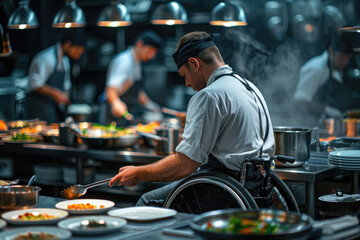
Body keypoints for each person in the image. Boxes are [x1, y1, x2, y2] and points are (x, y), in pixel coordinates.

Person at [109, 31, 275, 206]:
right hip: (258, 185)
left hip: (224, 189)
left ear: (194, 64)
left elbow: (185, 165)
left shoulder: (209, 96)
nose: (187, 83)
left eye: (184, 76)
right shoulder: (247, 86)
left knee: (146, 200)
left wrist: (138, 174)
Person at [99, 30, 163, 125]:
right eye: (149, 51)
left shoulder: (137, 62)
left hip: (125, 113)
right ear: (139, 44)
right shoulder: (124, 61)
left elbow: (137, 91)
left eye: (153, 53)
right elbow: (110, 89)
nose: (151, 56)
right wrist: (115, 103)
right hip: (113, 114)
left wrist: (151, 106)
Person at [293, 34, 354, 126]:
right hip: (309, 126)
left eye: (347, 58)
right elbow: (300, 101)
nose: (344, 62)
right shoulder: (317, 69)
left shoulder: (337, 69)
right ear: (330, 51)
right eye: (341, 57)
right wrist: (326, 109)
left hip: (327, 127)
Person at [26, 37, 85, 123]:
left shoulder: (65, 61)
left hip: (52, 109)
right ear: (68, 45)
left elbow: (66, 85)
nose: (77, 56)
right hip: (38, 108)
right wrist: (57, 94)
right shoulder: (46, 58)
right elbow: (34, 84)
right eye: (77, 51)